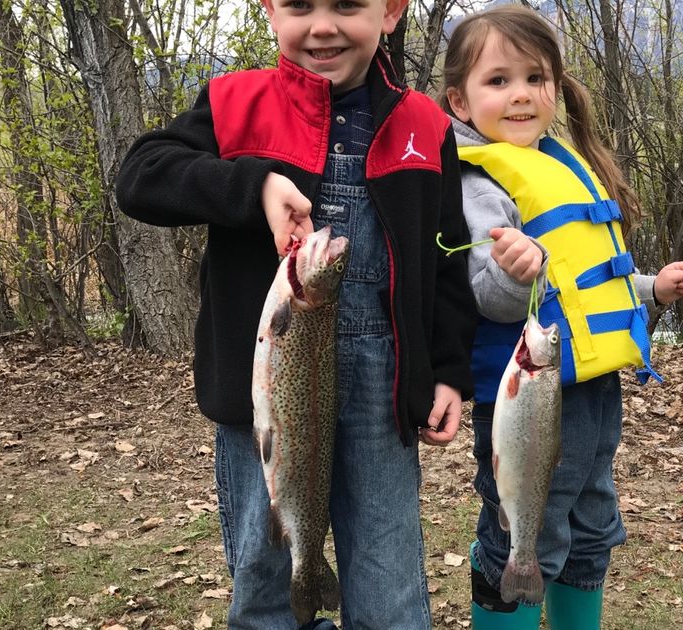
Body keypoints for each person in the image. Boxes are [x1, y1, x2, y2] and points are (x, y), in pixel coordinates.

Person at [114, 0, 478, 625]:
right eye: (301, 5)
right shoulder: (235, 103)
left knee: (389, 586)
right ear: (271, 12)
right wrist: (251, 185)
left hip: (382, 396)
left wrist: (447, 371)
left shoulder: (427, 126)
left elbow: (448, 259)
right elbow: (140, 177)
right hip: (265, 406)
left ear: (390, 12)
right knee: (266, 578)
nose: (322, 26)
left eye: (347, 6)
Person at [438, 6, 683, 628]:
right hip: (529, 394)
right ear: (460, 101)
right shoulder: (478, 182)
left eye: (536, 78)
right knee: (524, 529)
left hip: (594, 392)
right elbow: (489, 295)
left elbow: (590, 289)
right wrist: (515, 268)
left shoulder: (563, 162)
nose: (521, 94)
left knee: (591, 525)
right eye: (498, 81)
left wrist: (652, 291)